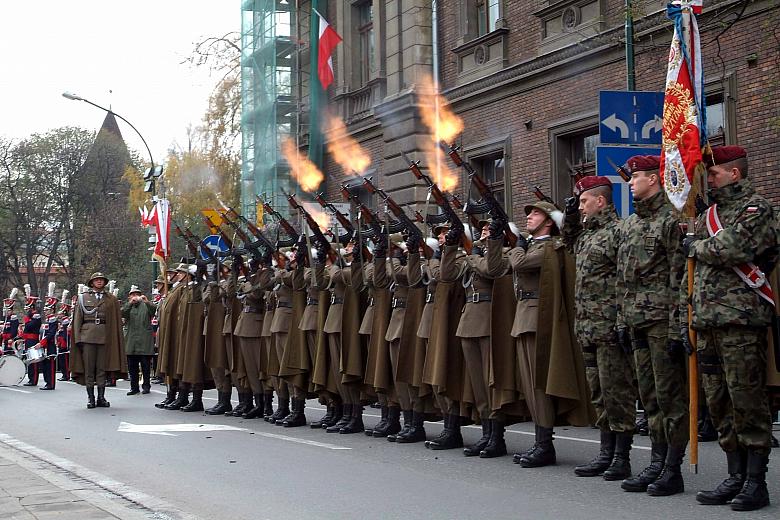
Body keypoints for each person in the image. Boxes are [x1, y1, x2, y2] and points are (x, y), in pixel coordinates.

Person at [684, 146, 779, 511]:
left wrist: (696, 246)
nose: (708, 180)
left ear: (734, 173)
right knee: (719, 402)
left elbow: (733, 248)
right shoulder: (707, 215)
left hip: (740, 320)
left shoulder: (757, 208)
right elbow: (692, 275)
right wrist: (686, 320)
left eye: (714, 174)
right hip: (707, 321)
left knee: (746, 400)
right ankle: (734, 475)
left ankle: (756, 482)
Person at [492, 201, 592, 468]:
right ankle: (540, 441)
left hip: (537, 320)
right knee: (529, 384)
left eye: (536, 213)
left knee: (539, 385)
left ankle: (545, 445)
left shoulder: (549, 247)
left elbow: (520, 263)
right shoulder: (530, 246)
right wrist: (495, 240)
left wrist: (517, 246)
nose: (529, 217)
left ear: (548, 221)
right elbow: (496, 266)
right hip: (523, 317)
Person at [614, 155, 689, 495]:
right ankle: (656, 462)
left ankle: (672, 468)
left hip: (661, 322)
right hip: (636, 322)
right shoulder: (630, 224)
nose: (630, 183)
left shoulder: (671, 220)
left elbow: (679, 277)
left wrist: (677, 327)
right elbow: (622, 278)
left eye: (636, 177)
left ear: (654, 179)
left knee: (669, 396)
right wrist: (621, 319)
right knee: (650, 397)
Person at [563, 176, 636, 480]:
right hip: (588, 327)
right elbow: (569, 240)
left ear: (601, 201)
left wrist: (622, 322)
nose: (581, 207)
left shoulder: (618, 232)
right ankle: (606, 452)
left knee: (616, 392)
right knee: (598, 393)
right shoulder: (587, 235)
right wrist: (569, 215)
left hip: (609, 327)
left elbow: (626, 280)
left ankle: (621, 456)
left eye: (583, 201)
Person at [71, 272, 126, 409]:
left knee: (102, 369)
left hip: (104, 336)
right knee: (89, 369)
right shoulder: (83, 298)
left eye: (101, 280)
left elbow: (115, 320)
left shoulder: (111, 299)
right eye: (96, 280)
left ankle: (101, 397)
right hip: (87, 337)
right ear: (92, 283)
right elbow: (78, 319)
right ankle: (91, 398)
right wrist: (78, 339)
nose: (99, 281)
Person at [122, 285, 156, 395]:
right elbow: (122, 313)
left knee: (146, 366)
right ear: (129, 297)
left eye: (137, 294)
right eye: (133, 295)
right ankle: (134, 387)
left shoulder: (145, 305)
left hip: (144, 340)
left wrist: (147, 302)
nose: (135, 296)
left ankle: (146, 386)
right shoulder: (128, 306)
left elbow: (154, 311)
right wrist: (130, 303)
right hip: (131, 341)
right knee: (132, 367)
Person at [37, 283, 60, 390]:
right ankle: (47, 383)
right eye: (45, 310)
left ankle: (50, 384)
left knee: (50, 367)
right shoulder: (47, 320)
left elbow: (51, 334)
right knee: (45, 366)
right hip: (44, 346)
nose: (45, 311)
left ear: (51, 310)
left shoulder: (53, 320)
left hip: (50, 346)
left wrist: (41, 343)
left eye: (47, 310)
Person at [21, 285, 41, 387]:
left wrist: (27, 320)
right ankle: (30, 378)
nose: (27, 311)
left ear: (32, 308)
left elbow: (29, 327)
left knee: (34, 361)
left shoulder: (36, 316)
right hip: (28, 341)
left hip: (33, 340)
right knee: (29, 360)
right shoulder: (30, 317)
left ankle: (34, 379)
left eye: (28, 308)